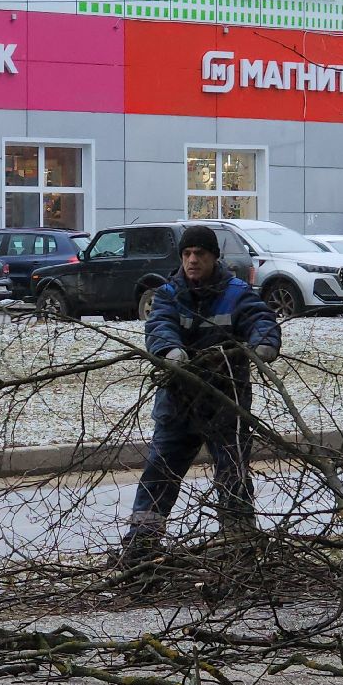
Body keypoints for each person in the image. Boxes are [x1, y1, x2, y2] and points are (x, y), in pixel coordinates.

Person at [118, 225, 282, 578]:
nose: (193, 260)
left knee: (233, 478)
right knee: (159, 474)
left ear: (213, 258)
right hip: (178, 404)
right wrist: (169, 351)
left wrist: (264, 343)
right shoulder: (167, 294)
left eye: (201, 254)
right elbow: (159, 326)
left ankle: (238, 549)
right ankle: (141, 551)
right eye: (187, 254)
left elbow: (260, 318)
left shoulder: (237, 293)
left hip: (226, 403)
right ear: (181, 258)